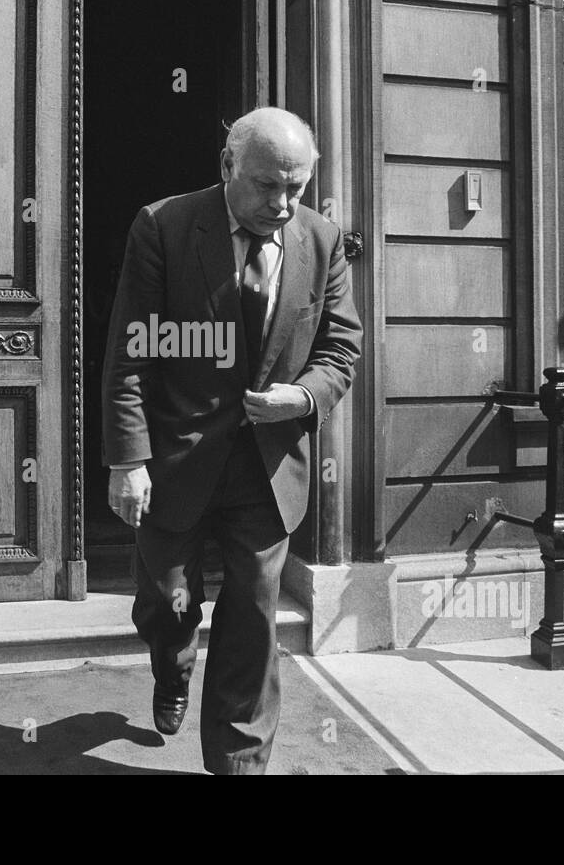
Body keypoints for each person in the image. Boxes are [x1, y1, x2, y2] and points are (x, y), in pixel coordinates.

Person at [100, 106, 362, 774]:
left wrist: (301, 397)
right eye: (268, 185)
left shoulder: (323, 241)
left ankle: (240, 760)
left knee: (252, 617)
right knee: (165, 602)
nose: (283, 203)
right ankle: (172, 665)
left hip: (269, 468)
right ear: (227, 168)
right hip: (175, 459)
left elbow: (340, 350)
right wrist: (128, 459)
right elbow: (132, 353)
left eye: (296, 188)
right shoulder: (163, 226)